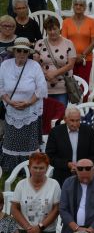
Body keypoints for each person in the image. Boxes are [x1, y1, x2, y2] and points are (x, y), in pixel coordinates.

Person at [0, 37, 47, 173]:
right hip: (11, 109)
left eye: (25, 51)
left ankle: (30, 169)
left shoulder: (34, 66)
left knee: (29, 143)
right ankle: (10, 169)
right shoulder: (5, 65)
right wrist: (9, 102)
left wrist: (28, 102)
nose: (22, 54)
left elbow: (41, 88)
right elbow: (1, 86)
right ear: (14, 51)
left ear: (29, 53)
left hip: (30, 110)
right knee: (11, 141)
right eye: (19, 50)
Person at [11, 152, 61, 233]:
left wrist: (40, 227)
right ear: (30, 167)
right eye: (35, 167)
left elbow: (56, 209)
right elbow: (14, 208)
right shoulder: (21, 185)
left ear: (46, 168)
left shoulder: (54, 184)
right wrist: (28, 228)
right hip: (24, 230)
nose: (38, 171)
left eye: (41, 168)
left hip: (47, 231)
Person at [46, 106, 94, 186]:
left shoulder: (88, 131)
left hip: (85, 175)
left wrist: (82, 165)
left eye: (77, 120)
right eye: (72, 120)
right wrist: (67, 164)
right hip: (62, 175)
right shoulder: (56, 132)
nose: (75, 124)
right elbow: (50, 156)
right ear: (65, 119)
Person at [34, 16, 76, 108]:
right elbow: (35, 65)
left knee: (60, 117)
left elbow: (70, 65)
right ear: (46, 31)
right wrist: (47, 75)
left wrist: (54, 74)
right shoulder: (40, 44)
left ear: (59, 28)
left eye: (54, 29)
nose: (52, 32)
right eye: (49, 30)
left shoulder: (68, 43)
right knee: (44, 116)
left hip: (62, 87)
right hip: (43, 87)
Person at [61, 0, 94, 86]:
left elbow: (93, 43)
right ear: (73, 7)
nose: (78, 7)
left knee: (83, 85)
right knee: (70, 85)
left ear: (85, 7)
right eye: (76, 5)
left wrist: (82, 56)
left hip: (86, 59)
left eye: (81, 5)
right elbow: (64, 41)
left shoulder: (92, 22)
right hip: (69, 59)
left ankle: (84, 100)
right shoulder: (66, 22)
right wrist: (74, 56)